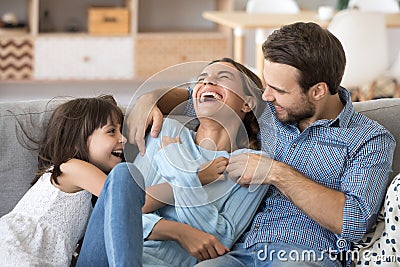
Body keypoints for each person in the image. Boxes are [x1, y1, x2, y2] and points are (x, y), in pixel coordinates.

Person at [126, 22, 396, 266]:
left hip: (305, 256)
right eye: (266, 85)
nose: (266, 95)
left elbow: (354, 221)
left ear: (318, 91)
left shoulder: (369, 139)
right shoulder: (266, 109)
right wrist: (147, 100)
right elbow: (201, 93)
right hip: (240, 253)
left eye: (278, 90)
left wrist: (277, 173)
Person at [77, 58, 270, 266]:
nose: (207, 83)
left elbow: (219, 239)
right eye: (202, 80)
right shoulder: (166, 131)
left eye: (223, 77)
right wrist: (179, 232)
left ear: (247, 103)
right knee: (123, 174)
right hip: (105, 257)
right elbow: (123, 212)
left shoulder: (251, 164)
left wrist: (179, 169)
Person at [0, 95, 145, 266]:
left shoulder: (92, 195)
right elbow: (129, 204)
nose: (123, 139)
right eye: (111, 131)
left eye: (122, 132)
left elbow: (126, 220)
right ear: (77, 141)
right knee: (123, 174)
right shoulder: (70, 168)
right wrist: (174, 191)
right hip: (17, 253)